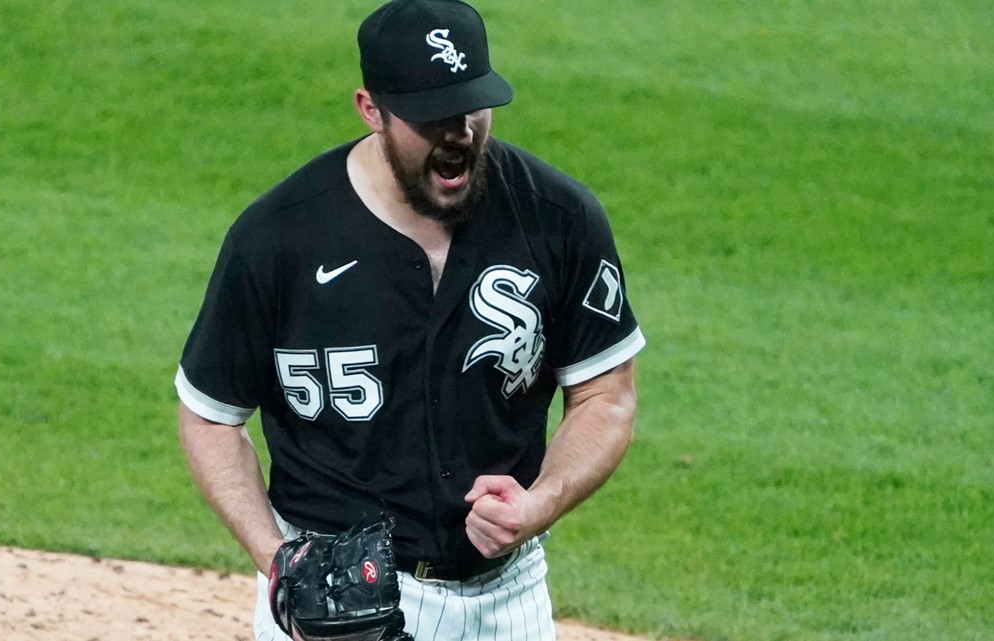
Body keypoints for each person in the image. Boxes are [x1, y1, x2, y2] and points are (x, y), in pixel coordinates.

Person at [173, 0, 645, 639]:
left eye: (472, 107)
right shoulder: (280, 238)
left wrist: (540, 504)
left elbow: (604, 396)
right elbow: (210, 415)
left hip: (510, 599)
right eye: (432, 116)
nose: (460, 134)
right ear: (372, 110)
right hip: (337, 602)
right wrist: (281, 563)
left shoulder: (557, 217)